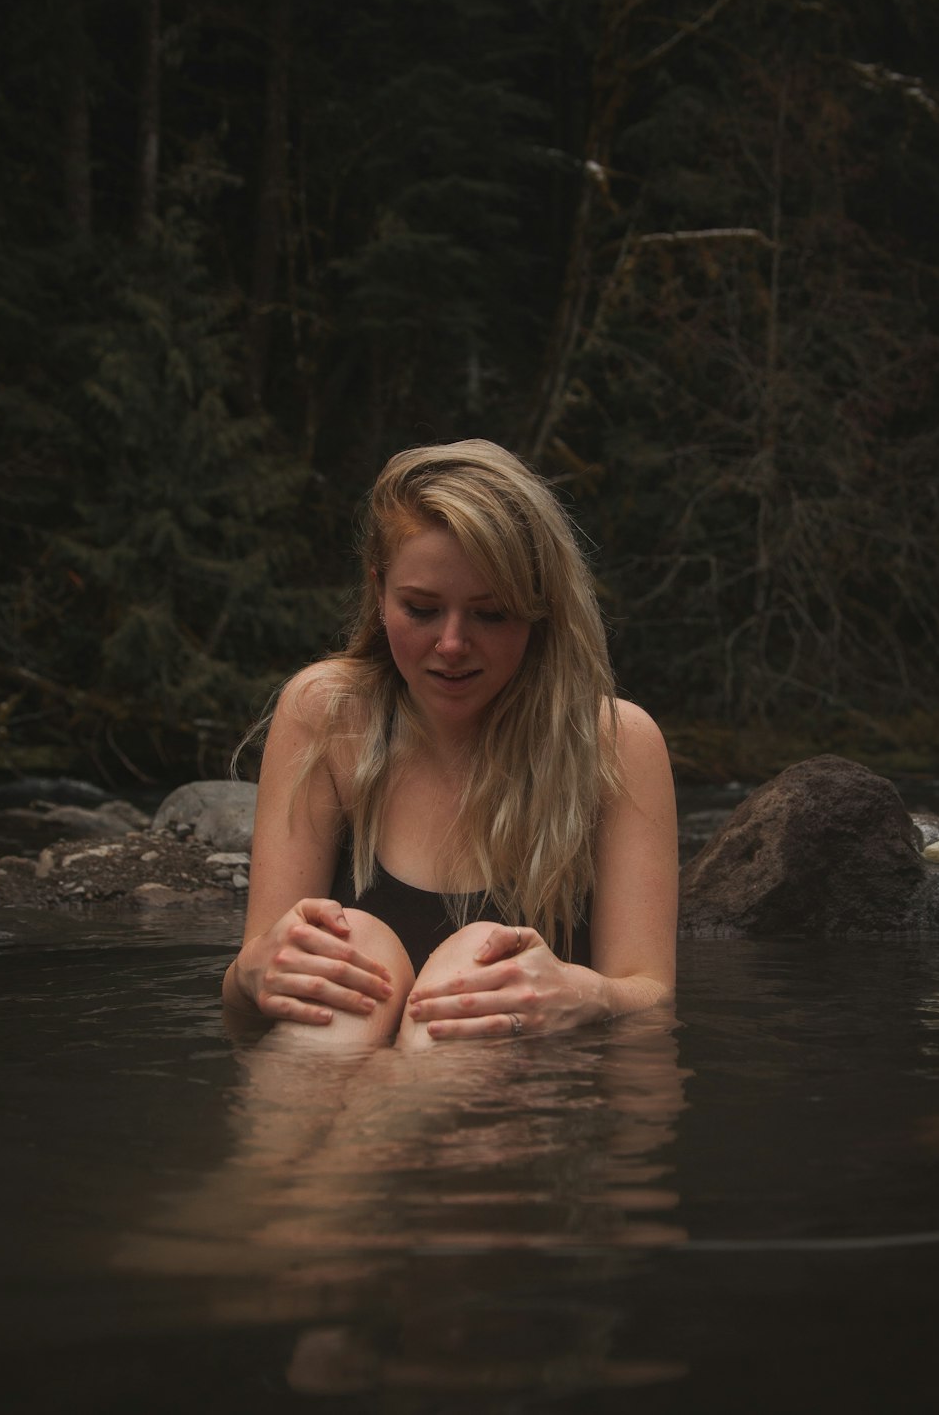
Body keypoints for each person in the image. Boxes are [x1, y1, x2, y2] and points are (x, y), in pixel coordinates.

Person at [222, 439, 677, 1048]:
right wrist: (252, 973)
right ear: (379, 592)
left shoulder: (614, 746)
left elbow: (651, 997)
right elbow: (248, 995)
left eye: (490, 614)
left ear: (539, 610)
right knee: (352, 948)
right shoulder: (325, 716)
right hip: (327, 1081)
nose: (453, 644)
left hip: (528, 1106)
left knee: (477, 968)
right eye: (422, 609)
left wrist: (589, 993)